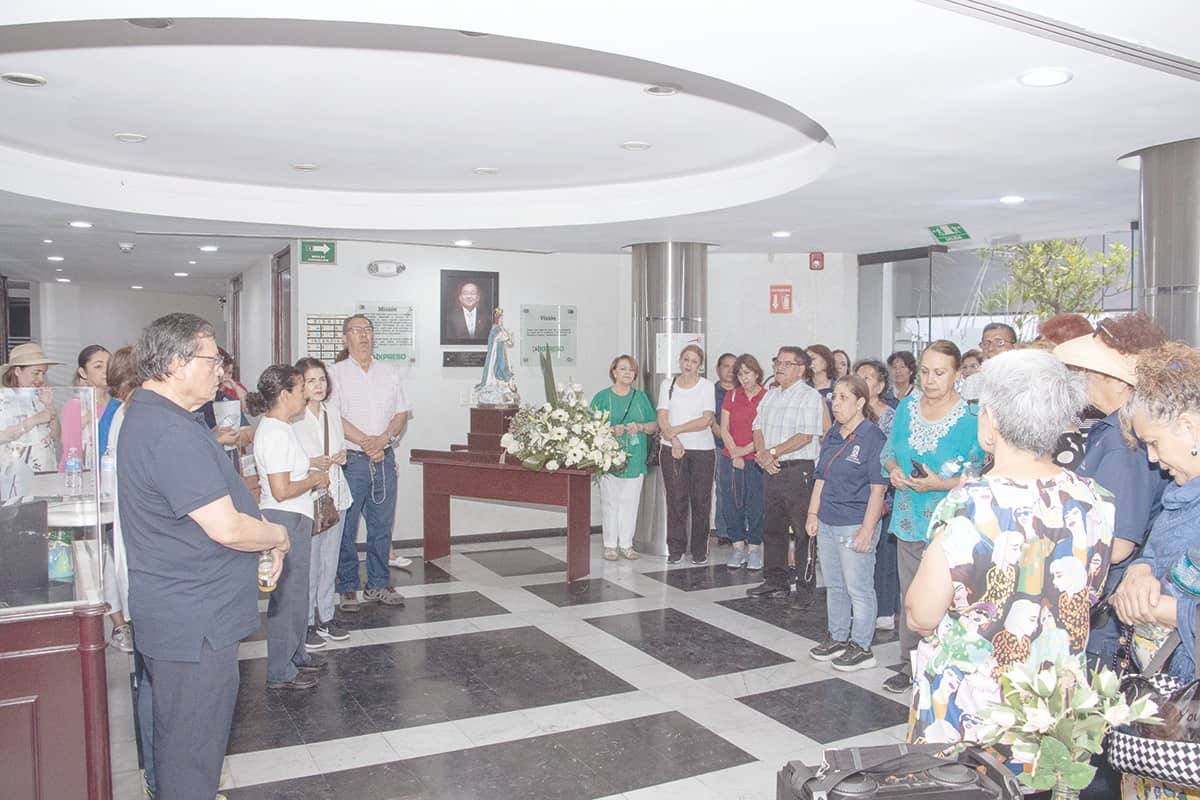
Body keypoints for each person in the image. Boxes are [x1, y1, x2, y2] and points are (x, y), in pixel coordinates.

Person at [904, 349, 1114, 760]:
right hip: (1051, 706)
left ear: (993, 420)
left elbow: (922, 614)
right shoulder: (1095, 500)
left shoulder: (970, 504)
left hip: (974, 710)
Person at [119, 313, 289, 799]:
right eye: (213, 361)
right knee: (193, 749)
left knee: (177, 740)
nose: (221, 371)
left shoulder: (157, 415)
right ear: (176, 363)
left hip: (179, 614)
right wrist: (277, 534)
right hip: (195, 621)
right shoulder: (170, 432)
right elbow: (226, 526)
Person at [1053, 312, 1168, 668]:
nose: (1085, 379)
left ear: (1121, 382)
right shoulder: (1111, 431)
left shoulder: (1124, 441)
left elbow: (1117, 545)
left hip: (1108, 611)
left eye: (1094, 372)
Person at [881, 340, 983, 694]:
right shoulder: (907, 407)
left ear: (956, 374)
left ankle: (950, 663)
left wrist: (943, 483)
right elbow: (889, 453)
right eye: (924, 371)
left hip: (953, 522)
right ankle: (910, 663)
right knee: (912, 592)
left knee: (953, 594)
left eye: (939, 373)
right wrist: (894, 470)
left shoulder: (972, 418)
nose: (929, 379)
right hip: (910, 517)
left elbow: (983, 472)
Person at [1111, 341, 1200, 682]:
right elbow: (1157, 550)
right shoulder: (1181, 492)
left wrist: (1169, 611)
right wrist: (1141, 570)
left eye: (1154, 443)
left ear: (1189, 429)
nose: (1152, 459)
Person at [249, 365, 330, 690]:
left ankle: (296, 655)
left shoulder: (282, 428)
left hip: (295, 516)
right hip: (284, 518)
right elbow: (281, 489)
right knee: (286, 597)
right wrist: (314, 478)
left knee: (298, 593)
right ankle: (280, 669)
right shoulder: (274, 432)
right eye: (300, 390)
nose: (305, 394)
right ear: (284, 395)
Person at [330, 314, 411, 611]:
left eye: (368, 330)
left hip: (383, 459)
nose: (364, 336)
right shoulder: (334, 374)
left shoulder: (389, 372)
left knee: (381, 527)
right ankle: (347, 586)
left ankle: (378, 584)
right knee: (347, 527)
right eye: (356, 330)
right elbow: (334, 417)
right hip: (352, 461)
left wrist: (384, 440)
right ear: (345, 338)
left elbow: (401, 413)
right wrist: (368, 442)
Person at [807, 375, 889, 671]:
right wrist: (812, 514)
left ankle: (862, 646)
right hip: (828, 519)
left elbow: (878, 489)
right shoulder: (833, 434)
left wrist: (867, 530)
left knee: (859, 587)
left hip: (854, 522)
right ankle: (838, 637)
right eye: (834, 397)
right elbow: (821, 477)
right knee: (835, 585)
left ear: (860, 403)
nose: (835, 403)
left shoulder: (872, 437)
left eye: (843, 398)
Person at [745, 347, 824, 599]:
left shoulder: (809, 396)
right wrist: (762, 454)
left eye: (786, 363)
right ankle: (775, 579)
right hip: (771, 467)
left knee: (802, 530)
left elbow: (805, 435)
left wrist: (773, 452)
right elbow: (756, 426)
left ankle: (804, 585)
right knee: (773, 526)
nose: (779, 367)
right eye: (777, 362)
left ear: (801, 369)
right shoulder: (770, 395)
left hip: (797, 468)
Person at [293, 357, 352, 649]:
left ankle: (326, 616)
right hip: (307, 498)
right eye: (311, 381)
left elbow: (340, 447)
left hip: (335, 494)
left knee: (330, 561)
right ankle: (305, 622)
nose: (318, 386)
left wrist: (340, 456)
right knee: (310, 564)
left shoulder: (332, 412)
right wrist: (310, 462)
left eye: (322, 380)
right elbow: (287, 460)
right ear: (300, 384)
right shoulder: (293, 417)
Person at [590, 355, 658, 560]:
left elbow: (654, 425)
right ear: (614, 372)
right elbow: (590, 428)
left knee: (630, 501)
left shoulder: (641, 397)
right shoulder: (602, 398)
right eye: (623, 369)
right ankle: (610, 545)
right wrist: (611, 430)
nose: (627, 373)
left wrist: (639, 427)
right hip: (607, 458)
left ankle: (627, 544)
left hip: (635, 457)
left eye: (631, 370)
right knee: (610, 502)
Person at [657, 345, 716, 564]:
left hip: (702, 450)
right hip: (671, 448)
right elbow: (662, 415)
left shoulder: (707, 386)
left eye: (693, 361)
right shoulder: (668, 384)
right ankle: (676, 548)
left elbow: (706, 419)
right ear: (679, 361)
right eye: (685, 360)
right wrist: (672, 439)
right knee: (675, 499)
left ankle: (699, 550)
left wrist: (677, 430)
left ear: (700, 365)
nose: (688, 364)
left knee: (701, 501)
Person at [856, 358, 900, 631]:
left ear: (881, 385)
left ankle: (885, 608)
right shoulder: (849, 413)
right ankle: (861, 607)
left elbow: (890, 455)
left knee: (883, 550)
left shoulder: (890, 416)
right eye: (858, 376)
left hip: (883, 492)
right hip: (855, 492)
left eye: (868, 378)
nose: (861, 381)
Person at [720, 354, 767, 569]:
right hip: (730, 458)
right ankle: (738, 547)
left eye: (747, 373)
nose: (744, 377)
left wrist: (745, 451)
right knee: (731, 502)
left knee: (755, 503)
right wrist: (735, 453)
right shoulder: (731, 396)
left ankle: (754, 548)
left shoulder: (767, 397)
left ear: (757, 373)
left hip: (756, 458)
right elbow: (724, 428)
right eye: (740, 374)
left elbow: (764, 432)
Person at [0, 342, 63, 474]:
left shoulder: (39, 397)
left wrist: (50, 407)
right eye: (36, 373)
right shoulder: (3, 398)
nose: (40, 379)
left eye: (43, 374)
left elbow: (56, 436)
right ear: (17, 371)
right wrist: (34, 420)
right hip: (14, 477)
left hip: (47, 472)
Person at [712, 352, 738, 548]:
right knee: (722, 489)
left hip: (742, 448)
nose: (730, 370)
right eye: (726, 366)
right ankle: (723, 531)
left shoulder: (743, 391)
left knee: (740, 490)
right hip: (718, 446)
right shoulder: (710, 391)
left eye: (733, 366)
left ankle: (740, 529)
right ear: (718, 369)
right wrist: (721, 433)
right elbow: (709, 417)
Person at [476, 307, 516, 405]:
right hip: (496, 355)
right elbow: (499, 338)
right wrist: (508, 335)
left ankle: (503, 388)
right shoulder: (495, 329)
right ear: (497, 319)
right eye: (500, 318)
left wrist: (510, 336)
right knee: (496, 370)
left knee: (504, 368)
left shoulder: (502, 328)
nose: (501, 320)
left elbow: (510, 343)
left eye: (502, 318)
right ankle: (493, 387)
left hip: (502, 353)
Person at [807, 343, 836, 413]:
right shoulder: (803, 388)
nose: (809, 363)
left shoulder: (837, 387)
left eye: (813, 358)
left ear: (826, 360)